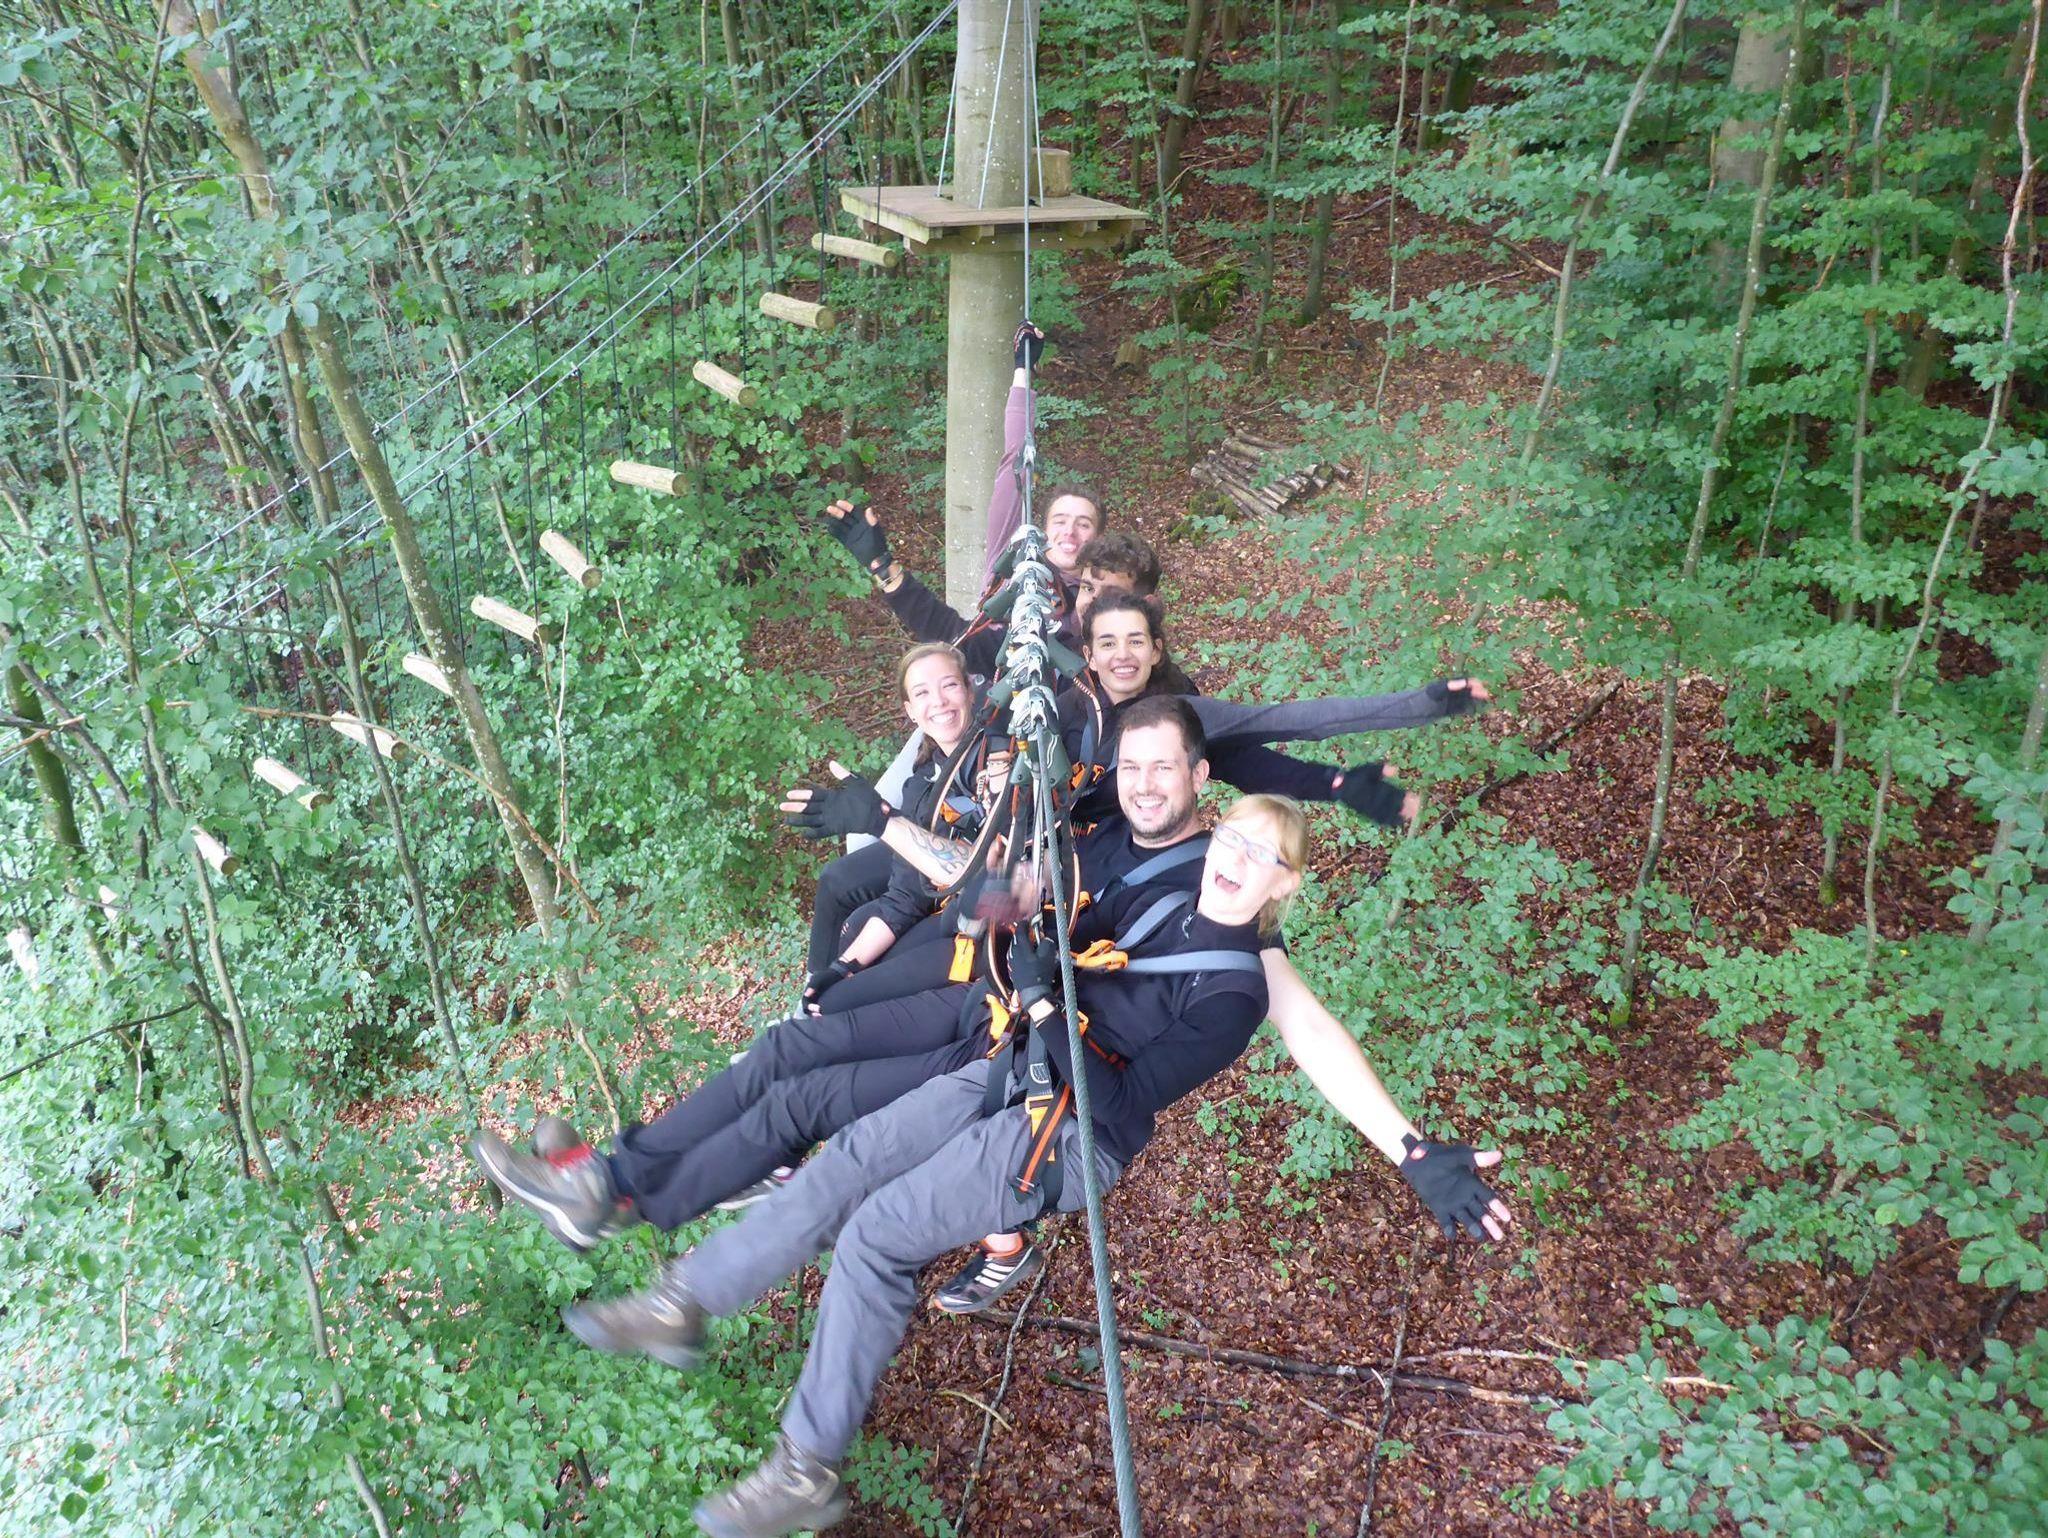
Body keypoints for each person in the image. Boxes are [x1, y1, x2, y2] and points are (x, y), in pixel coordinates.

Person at [556, 791, 1511, 1538]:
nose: (1235, 858)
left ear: (1283, 887)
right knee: (847, 1158)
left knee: (878, 1236)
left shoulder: (1233, 991)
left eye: (1262, 855)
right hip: (1008, 1069)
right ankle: (684, 1302)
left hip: (1065, 1131)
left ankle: (804, 1467)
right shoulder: (1171, 897)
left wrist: (1407, 1146)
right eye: (1231, 837)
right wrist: (1017, 923)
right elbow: (1068, 914)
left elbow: (1126, 1099)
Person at [471, 699, 1270, 1246]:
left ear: (1200, 778)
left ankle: (619, 1195)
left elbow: (1246, 969)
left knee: (803, 1099)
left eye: (1164, 769)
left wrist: (892, 829)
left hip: (1010, 1059)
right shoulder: (1110, 830)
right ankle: (612, 1180)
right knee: (786, 1048)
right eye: (1133, 767)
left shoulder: (1215, 880)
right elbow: (1016, 891)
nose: (1144, 785)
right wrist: (998, 891)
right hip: (980, 1002)